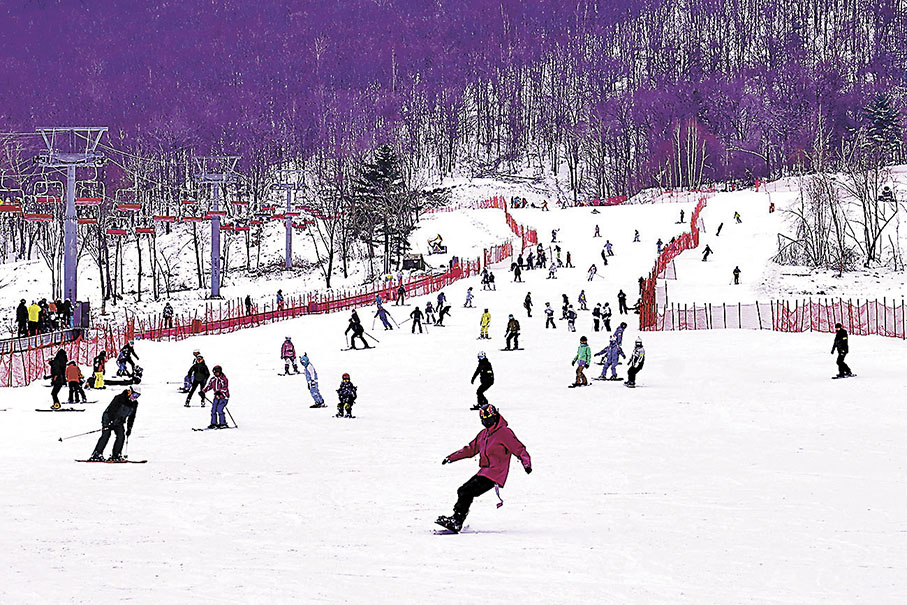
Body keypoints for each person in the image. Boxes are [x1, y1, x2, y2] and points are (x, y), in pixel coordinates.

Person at [437, 403, 531, 533]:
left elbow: (519, 448)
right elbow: (471, 449)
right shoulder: (484, 434)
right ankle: (456, 519)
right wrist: (451, 458)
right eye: (484, 420)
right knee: (463, 490)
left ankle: (457, 521)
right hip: (485, 471)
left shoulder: (504, 432)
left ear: (495, 416)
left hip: (496, 473)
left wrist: (526, 463)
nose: (487, 422)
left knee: (466, 491)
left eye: (489, 419)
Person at [88, 385, 140, 461]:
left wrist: (129, 428)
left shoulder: (134, 404)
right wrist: (111, 421)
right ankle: (97, 454)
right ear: (129, 391)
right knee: (106, 435)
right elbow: (111, 410)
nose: (135, 397)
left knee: (121, 436)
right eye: (134, 395)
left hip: (119, 421)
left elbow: (132, 417)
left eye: (137, 396)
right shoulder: (119, 398)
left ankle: (116, 454)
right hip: (108, 418)